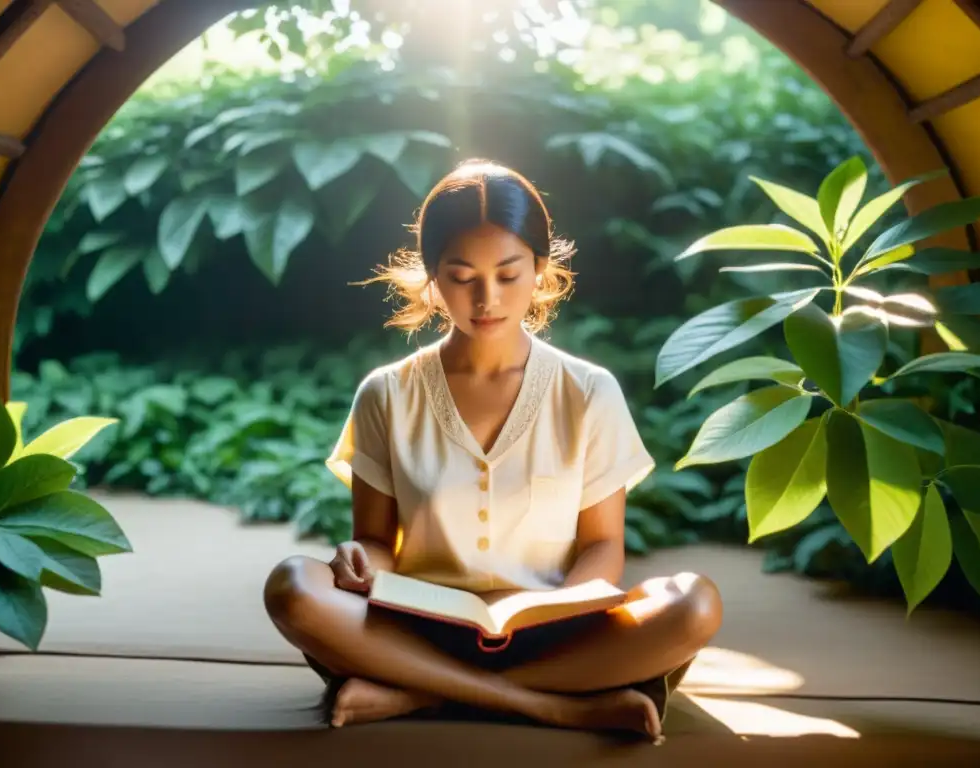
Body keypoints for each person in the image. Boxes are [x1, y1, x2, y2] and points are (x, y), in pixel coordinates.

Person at [263, 159, 723, 743]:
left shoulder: (588, 392)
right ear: (432, 275)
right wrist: (359, 562)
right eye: (461, 276)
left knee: (694, 603)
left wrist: (564, 609)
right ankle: (557, 705)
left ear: (540, 268)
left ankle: (419, 693)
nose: (487, 298)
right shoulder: (387, 393)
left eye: (508, 274)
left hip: (553, 627)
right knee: (292, 586)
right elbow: (379, 541)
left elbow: (603, 545)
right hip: (417, 628)